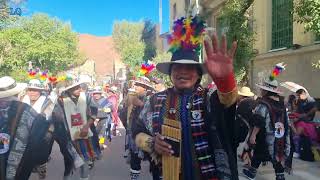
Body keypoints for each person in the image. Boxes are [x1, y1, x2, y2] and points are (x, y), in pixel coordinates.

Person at [133, 15, 239, 180]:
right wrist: (153, 143)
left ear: (198, 75)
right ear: (170, 73)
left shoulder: (208, 98)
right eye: (177, 67)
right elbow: (137, 130)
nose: (183, 72)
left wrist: (225, 79)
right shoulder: (154, 101)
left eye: (189, 67)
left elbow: (228, 101)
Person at [243, 64, 292, 180]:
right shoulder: (281, 103)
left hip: (265, 136)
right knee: (277, 154)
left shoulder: (263, 103)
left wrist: (253, 136)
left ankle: (252, 173)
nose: (261, 90)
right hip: (279, 136)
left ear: (266, 91)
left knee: (259, 153)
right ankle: (280, 176)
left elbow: (258, 121)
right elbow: (286, 121)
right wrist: (276, 70)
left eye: (262, 89)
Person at [0, 76, 52, 180]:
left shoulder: (42, 106)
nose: (32, 92)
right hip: (19, 162)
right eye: (30, 90)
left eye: (35, 90)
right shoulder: (28, 110)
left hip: (18, 160)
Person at [58, 80, 101, 180]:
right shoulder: (61, 100)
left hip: (85, 134)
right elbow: (59, 116)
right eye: (76, 88)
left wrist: (86, 126)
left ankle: (84, 177)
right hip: (69, 136)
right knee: (69, 160)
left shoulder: (87, 97)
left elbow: (94, 113)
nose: (79, 89)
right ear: (69, 89)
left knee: (84, 159)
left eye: (79, 87)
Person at [127, 76, 154, 180]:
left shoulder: (152, 97)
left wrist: (141, 104)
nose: (136, 86)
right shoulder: (132, 96)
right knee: (134, 158)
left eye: (139, 85)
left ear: (145, 88)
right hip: (135, 133)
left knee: (154, 160)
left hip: (148, 134)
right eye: (136, 84)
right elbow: (123, 113)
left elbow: (153, 114)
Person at [236, 87, 257, 166]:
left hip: (243, 126)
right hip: (252, 126)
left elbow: (238, 115)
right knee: (248, 144)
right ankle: (243, 157)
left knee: (246, 144)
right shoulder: (253, 102)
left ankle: (250, 163)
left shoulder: (243, 103)